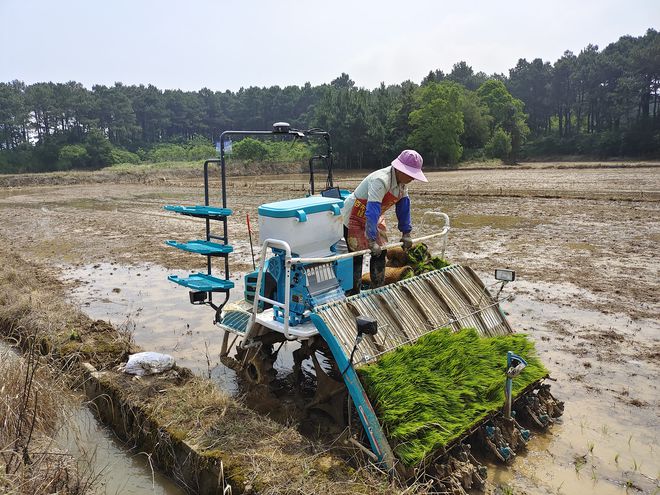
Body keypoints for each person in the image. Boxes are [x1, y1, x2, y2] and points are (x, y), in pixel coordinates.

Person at [342, 149, 427, 293]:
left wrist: (406, 233)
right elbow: (372, 209)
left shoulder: (402, 184)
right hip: (355, 215)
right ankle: (353, 293)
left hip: (374, 216)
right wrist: (371, 240)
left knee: (380, 252)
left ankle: (378, 290)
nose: (413, 179)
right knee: (357, 256)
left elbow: (403, 207)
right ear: (401, 170)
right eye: (411, 175)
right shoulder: (381, 180)